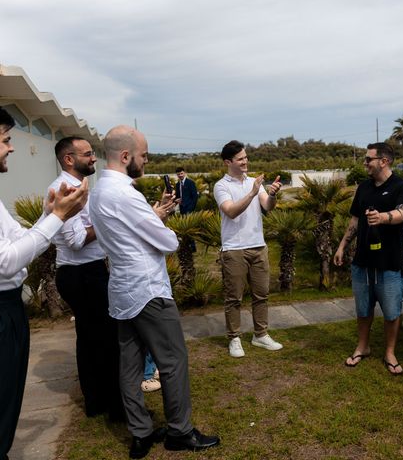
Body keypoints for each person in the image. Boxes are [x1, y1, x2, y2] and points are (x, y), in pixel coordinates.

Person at [89, 125, 219, 459]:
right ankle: (180, 431)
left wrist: (152, 214)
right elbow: (168, 242)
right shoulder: (125, 194)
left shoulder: (98, 191)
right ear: (126, 156)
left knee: (129, 366)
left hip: (120, 288)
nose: (146, 162)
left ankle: (140, 433)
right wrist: (159, 221)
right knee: (173, 359)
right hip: (147, 289)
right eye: (144, 156)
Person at [0, 107, 88, 459]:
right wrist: (56, 219)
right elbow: (7, 260)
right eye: (5, 140)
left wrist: (48, 217)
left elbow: (21, 239)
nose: (11, 148)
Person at [49, 136, 124, 421]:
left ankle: (98, 401)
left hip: (90, 271)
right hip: (80, 274)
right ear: (70, 159)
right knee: (103, 338)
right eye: (88, 154)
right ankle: (112, 406)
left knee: (92, 339)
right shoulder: (63, 190)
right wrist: (104, 224)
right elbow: (77, 240)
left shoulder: (82, 189)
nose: (94, 158)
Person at [334, 142, 403, 375]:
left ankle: (390, 353)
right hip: (362, 263)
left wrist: (383, 217)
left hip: (389, 263)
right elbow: (355, 221)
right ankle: (363, 346)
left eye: (369, 159)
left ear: (384, 161)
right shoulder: (363, 188)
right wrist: (342, 246)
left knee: (391, 312)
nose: (365, 163)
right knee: (363, 309)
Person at [213, 140, 283, 358]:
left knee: (261, 295)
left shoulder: (255, 182)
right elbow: (231, 211)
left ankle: (260, 335)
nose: (245, 161)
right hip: (234, 249)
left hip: (258, 247)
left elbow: (267, 207)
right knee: (234, 298)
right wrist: (252, 193)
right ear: (228, 162)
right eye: (240, 159)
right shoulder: (221, 186)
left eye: (246, 157)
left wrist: (271, 194)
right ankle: (234, 338)